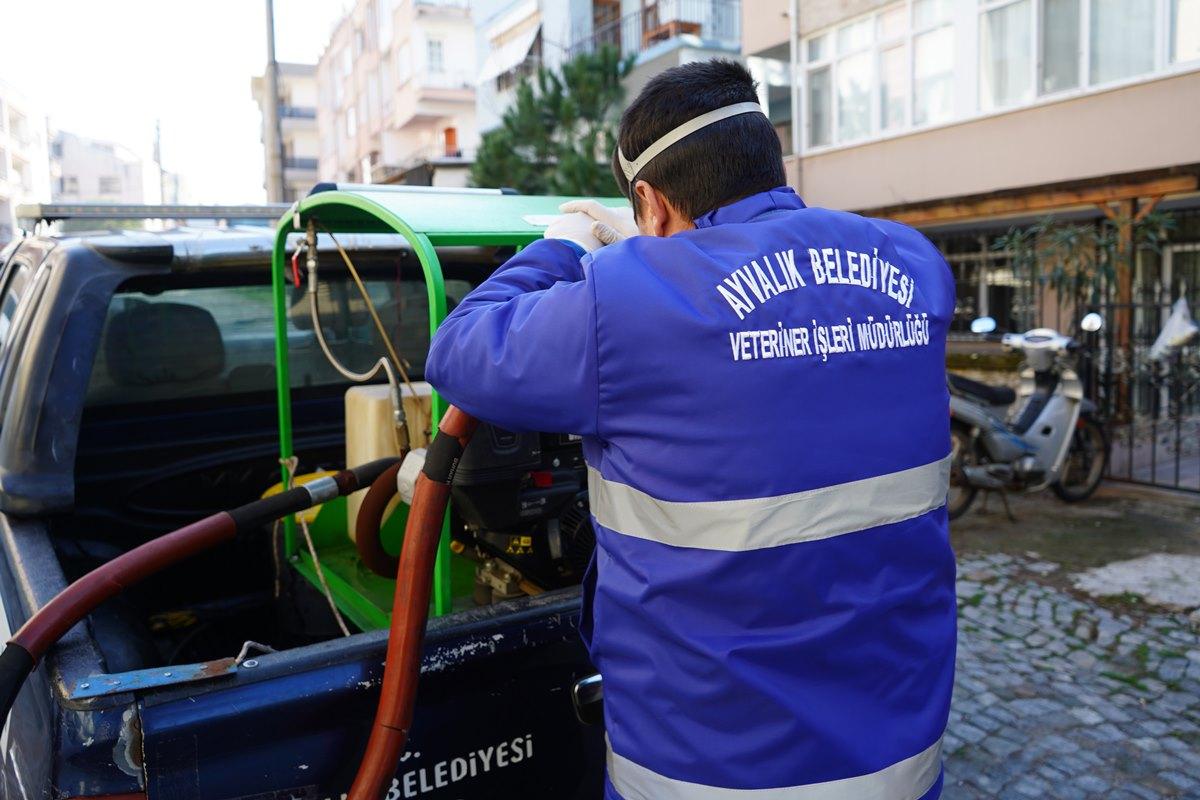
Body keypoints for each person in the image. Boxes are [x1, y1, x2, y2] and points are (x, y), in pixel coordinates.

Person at [425, 59, 956, 800]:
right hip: (900, 766)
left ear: (651, 201)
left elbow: (458, 352)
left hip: (703, 774)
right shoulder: (916, 268)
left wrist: (566, 243)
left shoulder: (632, 298)